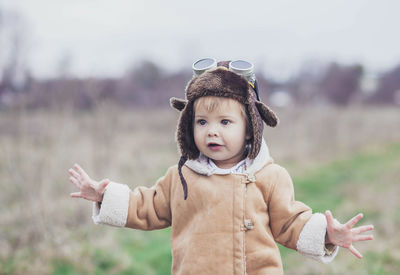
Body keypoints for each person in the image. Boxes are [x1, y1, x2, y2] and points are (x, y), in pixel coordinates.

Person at [68, 58, 374, 274]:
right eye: (202, 122)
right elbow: (148, 205)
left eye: (225, 122)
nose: (212, 131)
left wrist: (326, 234)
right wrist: (104, 195)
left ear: (250, 127)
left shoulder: (269, 176)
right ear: (189, 126)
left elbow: (290, 223)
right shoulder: (182, 177)